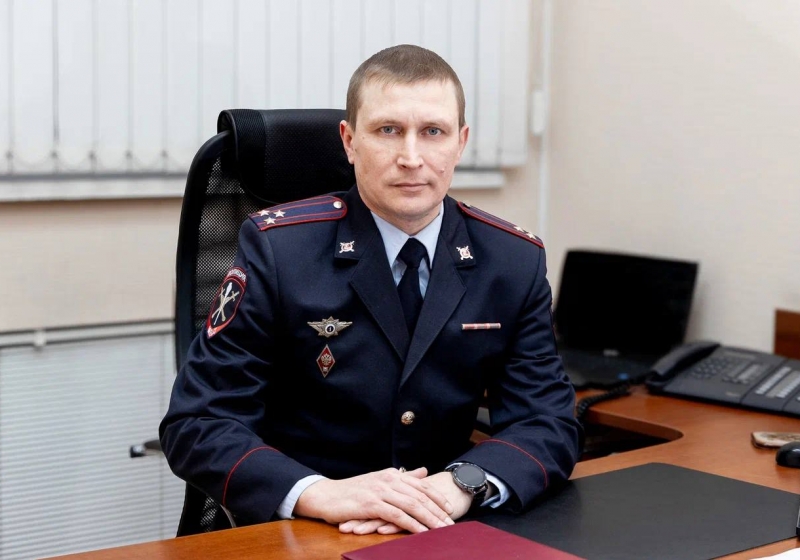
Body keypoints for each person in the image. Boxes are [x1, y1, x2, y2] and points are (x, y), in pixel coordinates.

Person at [160, 44, 581, 536]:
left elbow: (549, 421)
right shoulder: (279, 250)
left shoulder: (512, 260)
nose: (411, 158)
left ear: (460, 143)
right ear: (349, 141)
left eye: (433, 132)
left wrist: (463, 484)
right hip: (309, 529)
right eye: (388, 130)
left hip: (440, 524)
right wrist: (319, 493)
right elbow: (198, 422)